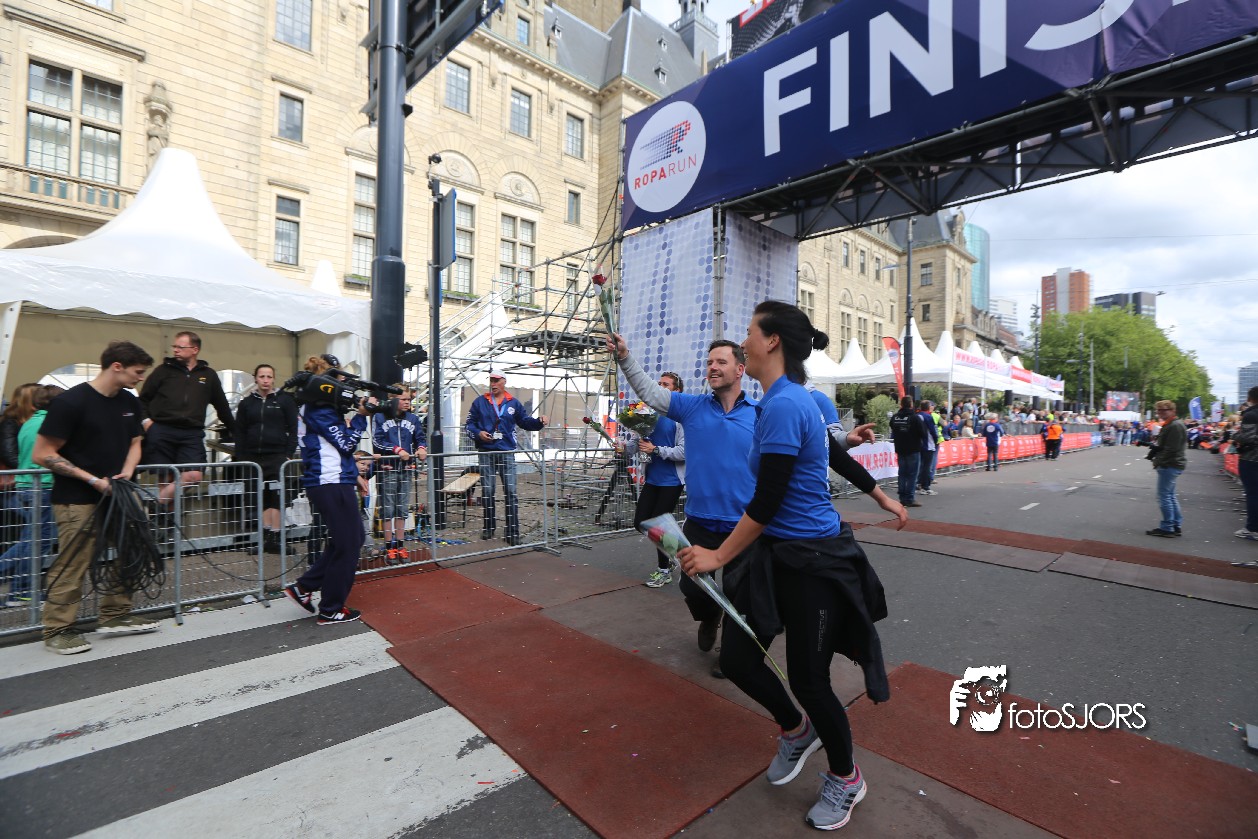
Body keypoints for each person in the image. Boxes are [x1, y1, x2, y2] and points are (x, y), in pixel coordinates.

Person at [677, 301, 892, 832]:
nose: (743, 342)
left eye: (750, 333)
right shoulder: (781, 401)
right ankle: (796, 730)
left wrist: (718, 555)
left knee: (810, 680)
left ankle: (846, 778)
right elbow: (827, 458)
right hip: (774, 556)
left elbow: (768, 498)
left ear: (771, 341)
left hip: (814, 561)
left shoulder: (786, 404)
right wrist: (879, 493)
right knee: (740, 662)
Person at [33, 341, 159, 654]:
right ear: (117, 366)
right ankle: (58, 629)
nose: (141, 377)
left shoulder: (128, 400)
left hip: (120, 494)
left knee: (133, 549)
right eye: (137, 371)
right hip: (77, 498)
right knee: (73, 562)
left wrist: (126, 471)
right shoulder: (71, 402)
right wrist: (92, 480)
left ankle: (116, 614)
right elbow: (43, 453)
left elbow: (135, 442)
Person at [283, 355, 372, 624]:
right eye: (340, 382)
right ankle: (331, 607)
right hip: (329, 482)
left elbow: (336, 450)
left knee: (348, 539)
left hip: (333, 480)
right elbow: (346, 445)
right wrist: (360, 418)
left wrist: (353, 474)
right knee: (349, 544)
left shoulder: (318, 408)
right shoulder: (318, 409)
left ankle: (304, 587)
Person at [138, 331, 237, 529]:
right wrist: (147, 423)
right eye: (174, 346)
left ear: (194, 349)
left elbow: (223, 407)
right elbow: (142, 400)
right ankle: (166, 529)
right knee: (166, 479)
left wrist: (236, 432)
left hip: (191, 433)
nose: (175, 350)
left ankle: (156, 505)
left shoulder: (208, 375)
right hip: (161, 430)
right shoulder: (162, 371)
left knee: (194, 475)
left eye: (180, 347)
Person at [619, 372, 687, 588]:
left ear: (677, 391)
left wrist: (656, 449)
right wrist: (623, 448)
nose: (660, 387)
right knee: (640, 522)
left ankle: (664, 570)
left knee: (659, 526)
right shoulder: (647, 413)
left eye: (666, 384)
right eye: (659, 383)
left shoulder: (681, 418)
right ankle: (676, 551)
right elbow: (635, 446)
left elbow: (684, 452)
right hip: (652, 478)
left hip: (672, 481)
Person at [464, 369, 546, 546]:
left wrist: (539, 422)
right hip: (486, 452)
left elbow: (524, 421)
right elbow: (469, 425)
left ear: (504, 382)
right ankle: (489, 527)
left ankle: (512, 531)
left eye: (496, 380)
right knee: (488, 491)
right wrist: (478, 433)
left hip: (507, 452)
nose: (493, 383)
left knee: (511, 491)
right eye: (491, 380)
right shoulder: (479, 402)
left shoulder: (513, 403)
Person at [0, 385, 63, 606]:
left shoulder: (29, 423)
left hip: (27, 485)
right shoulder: (48, 424)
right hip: (42, 486)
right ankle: (22, 590)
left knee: (31, 539)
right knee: (38, 542)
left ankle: (20, 590)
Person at [233, 364, 298, 554]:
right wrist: (242, 457)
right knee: (259, 498)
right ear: (255, 378)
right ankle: (264, 537)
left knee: (276, 497)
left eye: (269, 376)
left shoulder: (285, 400)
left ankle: (275, 538)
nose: (266, 380)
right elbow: (240, 432)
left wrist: (288, 454)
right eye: (262, 376)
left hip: (277, 456)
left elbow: (294, 430)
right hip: (253, 458)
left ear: (274, 379)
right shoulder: (246, 404)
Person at [372, 389, 427, 562]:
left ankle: (400, 545)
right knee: (388, 509)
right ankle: (390, 547)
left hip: (406, 469)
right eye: (403, 399)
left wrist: (421, 448)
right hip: (387, 468)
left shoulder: (413, 418)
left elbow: (420, 437)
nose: (407, 402)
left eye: (409, 399)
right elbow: (377, 441)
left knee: (402, 509)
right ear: (393, 400)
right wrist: (397, 450)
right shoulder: (379, 417)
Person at [1146, 400, 1188, 538]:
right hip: (1172, 463)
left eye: (1164, 410)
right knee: (1170, 496)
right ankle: (1175, 525)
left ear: (1172, 411)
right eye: (1158, 410)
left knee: (1164, 496)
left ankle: (1168, 527)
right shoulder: (1172, 424)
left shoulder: (1174, 425)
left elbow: (1171, 449)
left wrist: (1158, 461)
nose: (1160, 413)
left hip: (1169, 464)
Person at [889, 397, 927, 508]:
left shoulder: (895, 417)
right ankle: (909, 498)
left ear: (901, 404)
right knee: (912, 475)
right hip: (913, 449)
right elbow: (923, 433)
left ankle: (902, 498)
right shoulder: (915, 418)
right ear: (911, 404)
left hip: (900, 448)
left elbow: (892, 427)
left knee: (902, 473)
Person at [1234, 386, 1258, 541]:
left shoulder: (1251, 414)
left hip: (1251, 458)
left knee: (1253, 494)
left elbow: (1248, 437)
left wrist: (1235, 435)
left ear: (1250, 398)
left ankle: (1252, 528)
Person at [917, 400, 939, 495]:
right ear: (928, 407)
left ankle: (918, 484)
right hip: (928, 445)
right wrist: (936, 439)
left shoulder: (916, 416)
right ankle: (925, 487)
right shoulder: (928, 417)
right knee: (927, 467)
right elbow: (933, 430)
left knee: (920, 466)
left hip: (918, 445)